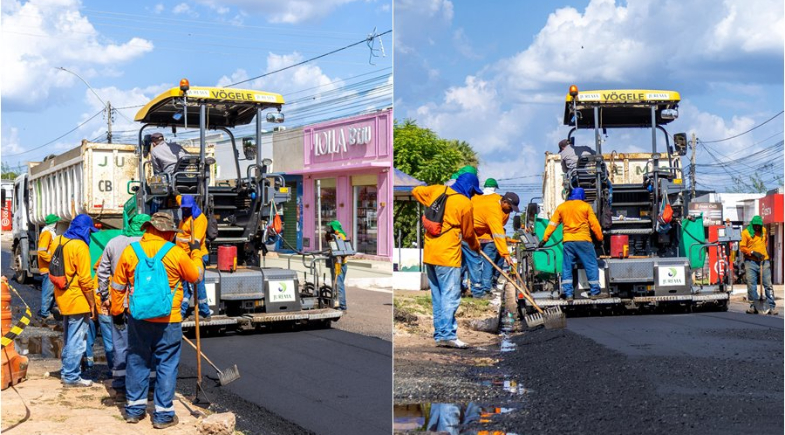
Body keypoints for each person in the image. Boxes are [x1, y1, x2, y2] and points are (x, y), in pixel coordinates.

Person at [110, 212, 203, 428]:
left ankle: (134, 410)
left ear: (148, 229)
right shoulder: (176, 253)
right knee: (166, 364)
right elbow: (196, 276)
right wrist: (196, 253)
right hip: (168, 318)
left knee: (137, 360)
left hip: (138, 317)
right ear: (168, 231)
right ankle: (162, 416)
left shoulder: (130, 252)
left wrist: (116, 313)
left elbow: (117, 286)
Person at [413, 172, 481, 349]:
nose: (473, 194)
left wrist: (433, 203)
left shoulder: (437, 190)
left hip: (430, 253)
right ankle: (448, 335)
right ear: (470, 188)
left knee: (438, 296)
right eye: (473, 191)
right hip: (448, 255)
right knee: (450, 296)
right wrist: (476, 246)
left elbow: (416, 191)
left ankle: (440, 335)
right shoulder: (464, 203)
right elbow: (468, 233)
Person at [97, 213, 151, 402]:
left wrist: (104, 296)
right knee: (145, 346)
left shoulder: (114, 242)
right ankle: (148, 388)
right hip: (144, 306)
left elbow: (102, 272)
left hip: (119, 304)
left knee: (120, 345)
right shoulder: (150, 244)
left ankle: (120, 388)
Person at [49, 214, 100, 388]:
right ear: (85, 230)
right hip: (77, 297)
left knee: (68, 335)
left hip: (61, 294)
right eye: (89, 231)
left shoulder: (58, 240)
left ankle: (67, 370)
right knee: (77, 339)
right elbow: (85, 279)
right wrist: (92, 304)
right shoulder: (80, 247)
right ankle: (71, 376)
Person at [539, 188, 603, 301]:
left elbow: (552, 224)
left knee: (567, 267)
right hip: (584, 241)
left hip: (568, 242)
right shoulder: (585, 206)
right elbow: (594, 225)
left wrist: (544, 239)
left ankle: (568, 294)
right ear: (582, 197)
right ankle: (594, 292)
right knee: (591, 265)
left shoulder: (562, 207)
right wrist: (600, 238)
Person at [472, 192, 519, 296]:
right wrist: (506, 254)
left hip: (482, 233)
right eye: (510, 208)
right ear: (504, 202)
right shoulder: (494, 212)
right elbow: (498, 234)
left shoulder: (496, 198)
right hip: (477, 235)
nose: (510, 211)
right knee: (487, 263)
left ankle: (487, 285)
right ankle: (486, 289)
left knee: (491, 261)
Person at [177, 195, 212, 320]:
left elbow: (195, 242)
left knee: (198, 283)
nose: (185, 210)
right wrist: (174, 192)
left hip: (197, 255)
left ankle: (205, 312)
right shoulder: (186, 213)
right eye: (183, 208)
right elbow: (179, 198)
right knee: (184, 284)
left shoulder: (199, 219)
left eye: (187, 208)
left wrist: (179, 240)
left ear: (192, 206)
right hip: (184, 255)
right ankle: (182, 311)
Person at [740, 215, 777, 315]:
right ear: (752, 224)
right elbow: (742, 247)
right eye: (755, 225)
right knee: (751, 285)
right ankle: (753, 306)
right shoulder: (746, 233)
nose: (757, 227)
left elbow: (765, 241)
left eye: (759, 226)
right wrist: (752, 252)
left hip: (764, 261)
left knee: (768, 285)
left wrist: (762, 252)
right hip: (750, 262)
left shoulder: (764, 231)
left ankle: (772, 306)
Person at [36, 213, 60, 321]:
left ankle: (47, 310)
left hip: (50, 266)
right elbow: (41, 252)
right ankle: (45, 312)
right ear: (54, 224)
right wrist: (53, 260)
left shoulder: (49, 233)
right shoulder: (47, 234)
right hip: (48, 267)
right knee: (48, 290)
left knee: (50, 290)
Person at [325, 220, 349, 311]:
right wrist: (327, 236)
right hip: (335, 262)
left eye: (331, 228)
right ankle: (337, 302)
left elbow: (341, 250)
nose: (329, 229)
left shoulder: (340, 236)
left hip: (340, 264)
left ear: (335, 229)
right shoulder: (333, 236)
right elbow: (330, 245)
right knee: (336, 284)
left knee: (339, 284)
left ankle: (342, 305)